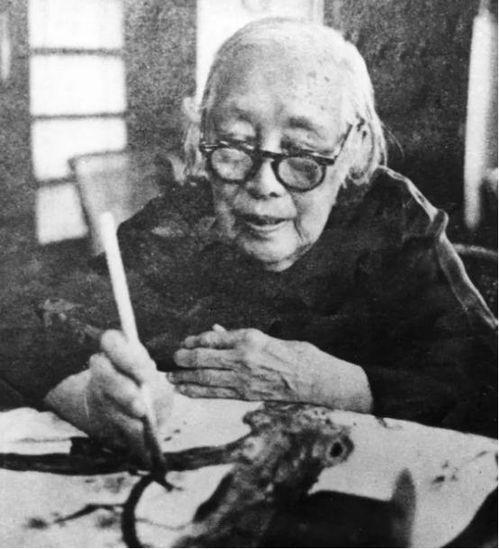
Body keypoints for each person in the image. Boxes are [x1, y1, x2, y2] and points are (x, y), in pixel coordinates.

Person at [1, 18, 496, 464]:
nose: (263, 184)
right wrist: (87, 398)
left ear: (356, 147)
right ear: (203, 135)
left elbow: (485, 380)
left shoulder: (393, 219)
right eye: (235, 145)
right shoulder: (184, 217)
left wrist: (341, 387)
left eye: (303, 151)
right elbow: (24, 323)